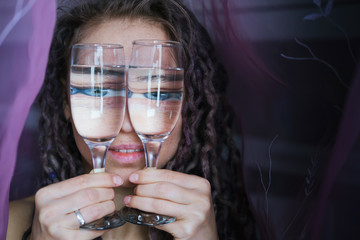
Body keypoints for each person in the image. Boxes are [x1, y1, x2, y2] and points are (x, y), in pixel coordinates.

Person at [7, 0, 257, 239]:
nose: (126, 124)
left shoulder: (226, 228)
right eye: (98, 91)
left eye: (154, 94)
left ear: (187, 105)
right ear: (66, 102)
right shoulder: (8, 225)